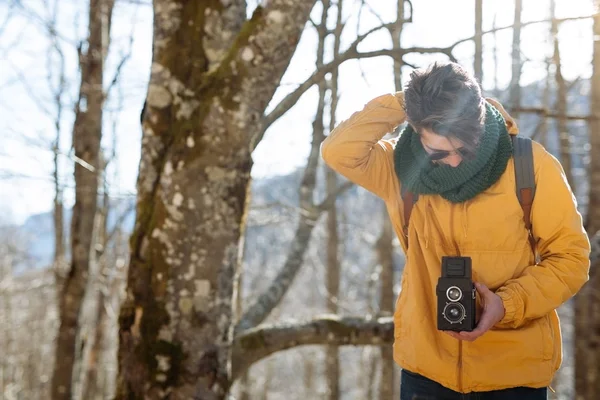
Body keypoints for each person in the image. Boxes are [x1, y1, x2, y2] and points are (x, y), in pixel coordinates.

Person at [321, 61, 590, 399]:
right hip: (426, 373)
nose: (455, 162)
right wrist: (412, 102)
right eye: (438, 152)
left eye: (466, 149)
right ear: (417, 131)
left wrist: (507, 304)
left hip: (514, 375)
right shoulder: (399, 169)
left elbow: (570, 260)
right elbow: (338, 151)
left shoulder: (530, 166)